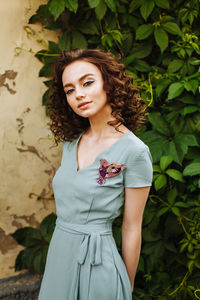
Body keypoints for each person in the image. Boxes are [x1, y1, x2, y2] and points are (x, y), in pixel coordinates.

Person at [38, 48, 153, 300]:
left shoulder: (134, 152)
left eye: (87, 83)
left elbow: (132, 226)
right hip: (59, 257)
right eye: (69, 90)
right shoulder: (71, 143)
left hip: (98, 265)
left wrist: (127, 285)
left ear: (108, 84)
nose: (79, 94)